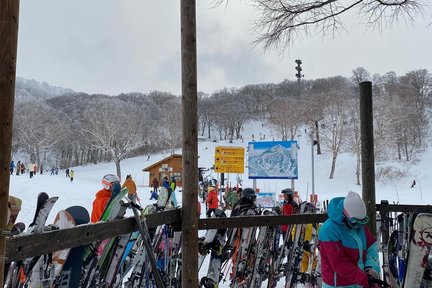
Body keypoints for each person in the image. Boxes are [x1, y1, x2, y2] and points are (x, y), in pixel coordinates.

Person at [318, 191, 380, 288]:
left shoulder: (359, 226)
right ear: (345, 215)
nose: (359, 227)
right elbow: (339, 263)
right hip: (338, 284)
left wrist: (371, 268)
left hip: (359, 282)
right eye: (355, 223)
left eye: (362, 222)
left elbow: (371, 246)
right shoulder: (328, 231)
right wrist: (364, 279)